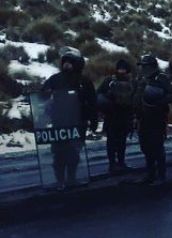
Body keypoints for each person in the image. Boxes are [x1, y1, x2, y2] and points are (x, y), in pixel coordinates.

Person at [41, 48, 98, 190]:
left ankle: (71, 179)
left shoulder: (84, 81)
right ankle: (60, 181)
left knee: (73, 152)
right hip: (59, 122)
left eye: (70, 62)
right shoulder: (55, 79)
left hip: (78, 122)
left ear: (77, 64)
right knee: (59, 153)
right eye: (64, 62)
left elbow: (92, 102)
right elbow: (42, 96)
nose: (67, 65)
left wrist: (93, 120)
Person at [134, 55, 172, 184]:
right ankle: (150, 174)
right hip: (143, 118)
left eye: (144, 66)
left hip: (156, 117)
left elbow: (171, 95)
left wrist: (158, 102)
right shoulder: (141, 79)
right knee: (146, 147)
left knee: (157, 146)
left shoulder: (161, 78)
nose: (142, 69)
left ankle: (161, 174)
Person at [96, 59, 135, 174]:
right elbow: (99, 94)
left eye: (123, 68)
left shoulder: (131, 82)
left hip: (125, 115)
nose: (121, 70)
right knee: (112, 141)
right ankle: (112, 164)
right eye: (120, 68)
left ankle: (121, 163)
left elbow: (134, 98)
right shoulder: (109, 80)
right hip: (112, 115)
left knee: (122, 141)